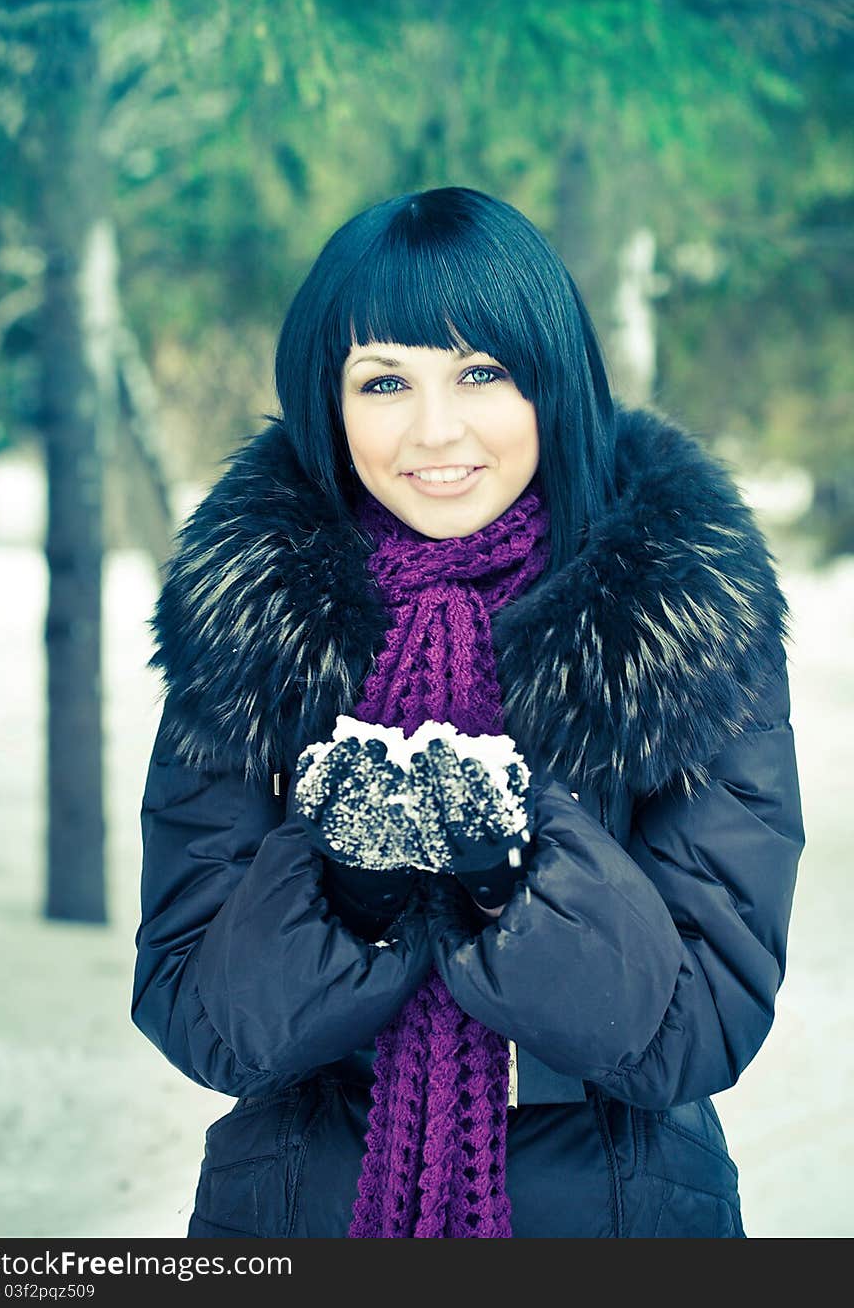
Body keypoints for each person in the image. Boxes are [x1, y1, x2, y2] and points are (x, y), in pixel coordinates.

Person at [131, 186, 805, 1238]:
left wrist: (513, 872)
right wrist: (344, 887)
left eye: (481, 372)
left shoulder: (679, 616)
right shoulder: (256, 617)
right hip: (304, 1205)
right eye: (385, 379)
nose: (434, 429)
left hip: (617, 1214)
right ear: (329, 400)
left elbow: (698, 1025)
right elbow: (198, 1016)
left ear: (552, 382)